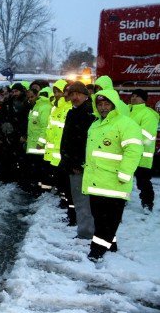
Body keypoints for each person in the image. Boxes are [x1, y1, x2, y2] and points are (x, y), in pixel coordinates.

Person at [83, 90, 143, 262]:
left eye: (106, 104)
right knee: (100, 218)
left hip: (115, 182)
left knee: (108, 220)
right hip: (96, 181)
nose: (103, 108)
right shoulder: (96, 124)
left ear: (114, 104)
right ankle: (111, 244)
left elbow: (133, 151)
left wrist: (124, 174)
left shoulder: (125, 124)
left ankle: (97, 250)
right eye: (100, 104)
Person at [60, 82, 96, 239]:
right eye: (72, 94)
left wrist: (78, 163)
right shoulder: (72, 112)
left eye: (78, 94)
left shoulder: (88, 113)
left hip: (79, 165)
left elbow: (85, 142)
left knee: (83, 202)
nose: (74, 97)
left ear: (86, 96)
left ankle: (86, 234)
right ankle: (85, 231)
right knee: (79, 200)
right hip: (71, 163)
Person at [128, 89, 159, 212]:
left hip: (142, 155)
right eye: (132, 96)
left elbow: (147, 136)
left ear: (144, 99)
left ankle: (147, 204)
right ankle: (121, 200)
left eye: (137, 96)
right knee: (123, 179)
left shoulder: (148, 114)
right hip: (128, 153)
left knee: (143, 182)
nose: (133, 98)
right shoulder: (127, 111)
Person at [24, 87, 51, 193]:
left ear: (37, 95)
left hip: (39, 146)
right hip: (32, 145)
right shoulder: (34, 107)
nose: (30, 99)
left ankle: (44, 192)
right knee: (36, 171)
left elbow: (45, 127)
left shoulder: (44, 107)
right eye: (28, 97)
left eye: (32, 96)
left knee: (42, 171)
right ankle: (37, 190)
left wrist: (40, 142)